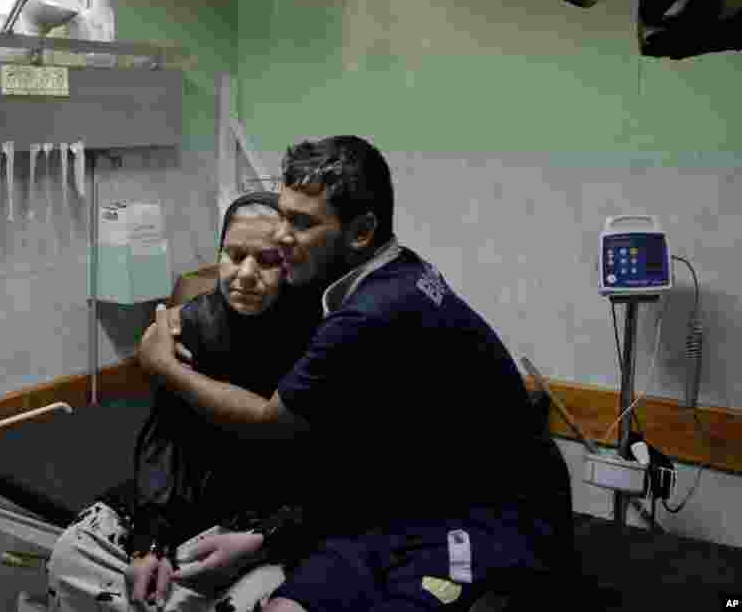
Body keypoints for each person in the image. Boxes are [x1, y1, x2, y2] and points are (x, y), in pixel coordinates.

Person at [138, 136, 574, 612]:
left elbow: (268, 420)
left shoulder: (371, 313)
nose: (280, 236)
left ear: (361, 231)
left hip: (490, 516)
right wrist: (262, 539)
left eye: (301, 223)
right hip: (401, 503)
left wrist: (160, 364)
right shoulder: (398, 269)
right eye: (282, 214)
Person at [47, 192, 328, 612]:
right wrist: (151, 540)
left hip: (271, 514)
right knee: (73, 554)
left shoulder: (321, 338)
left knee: (258, 602)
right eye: (233, 256)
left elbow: (326, 471)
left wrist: (266, 535)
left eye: (267, 261)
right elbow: (165, 440)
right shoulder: (191, 325)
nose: (246, 274)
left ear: (291, 266)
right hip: (189, 497)